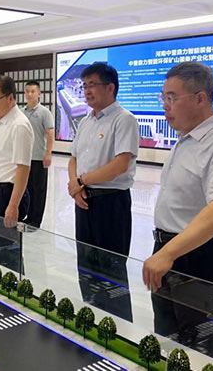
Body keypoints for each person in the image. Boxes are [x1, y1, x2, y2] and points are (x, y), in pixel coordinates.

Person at [143, 61, 213, 362]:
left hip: (203, 259)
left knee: (200, 352)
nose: (165, 105)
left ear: (200, 98)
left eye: (172, 97)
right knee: (168, 342)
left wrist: (167, 253)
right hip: (172, 253)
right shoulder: (185, 140)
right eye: (163, 97)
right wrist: (165, 252)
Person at [68, 62, 139, 322]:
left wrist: (81, 181)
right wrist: (76, 188)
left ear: (110, 88)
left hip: (111, 203)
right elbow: (73, 158)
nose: (86, 91)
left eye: (92, 85)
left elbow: (120, 165)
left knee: (111, 268)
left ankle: (118, 325)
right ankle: (92, 318)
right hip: (84, 201)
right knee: (86, 263)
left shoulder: (124, 119)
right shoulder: (86, 121)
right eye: (84, 86)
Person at [0, 75, 33, 272]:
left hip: (7, 194)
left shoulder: (19, 125)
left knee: (7, 251)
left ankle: (14, 288)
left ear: (10, 98)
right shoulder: (3, 122)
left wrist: (13, 205)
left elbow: (23, 168)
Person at [22, 81, 54, 228]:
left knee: (38, 190)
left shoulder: (44, 112)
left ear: (39, 94)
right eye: (27, 91)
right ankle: (28, 216)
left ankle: (36, 220)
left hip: (39, 158)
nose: (29, 94)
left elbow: (50, 134)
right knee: (26, 189)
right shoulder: (21, 112)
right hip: (25, 158)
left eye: (33, 91)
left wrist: (48, 153)